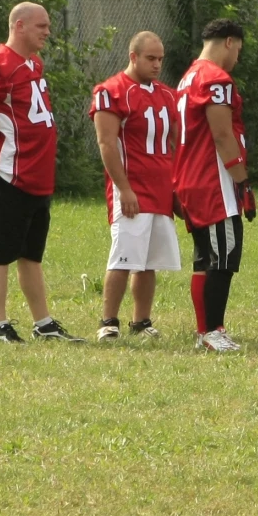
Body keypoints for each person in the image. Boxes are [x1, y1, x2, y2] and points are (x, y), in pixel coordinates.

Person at [0, 1, 79, 342]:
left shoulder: (33, 63)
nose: (47, 31)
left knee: (31, 252)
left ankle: (43, 322)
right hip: (7, 171)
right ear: (20, 26)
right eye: (41, 25)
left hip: (36, 171)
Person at [89, 30, 179, 340]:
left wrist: (176, 185)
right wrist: (124, 188)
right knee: (124, 256)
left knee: (149, 261)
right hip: (132, 188)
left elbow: (173, 143)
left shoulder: (168, 95)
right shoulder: (112, 91)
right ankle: (108, 321)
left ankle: (141, 321)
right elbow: (107, 143)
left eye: (160, 59)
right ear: (133, 57)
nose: (157, 65)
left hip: (161, 188)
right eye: (150, 59)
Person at [174, 18, 256, 353]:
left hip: (191, 176)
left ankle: (205, 330)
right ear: (230, 42)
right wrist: (243, 183)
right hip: (213, 179)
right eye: (238, 49)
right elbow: (221, 134)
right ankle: (211, 330)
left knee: (205, 258)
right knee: (223, 257)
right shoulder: (215, 78)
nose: (237, 57)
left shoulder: (188, 77)